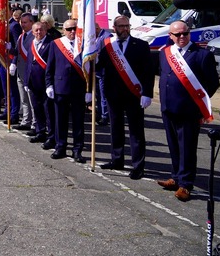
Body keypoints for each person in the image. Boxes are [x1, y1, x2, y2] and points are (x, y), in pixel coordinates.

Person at [156, 20, 219, 202]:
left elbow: (212, 83)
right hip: (168, 108)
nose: (182, 37)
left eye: (185, 33)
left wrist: (200, 105)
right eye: (177, 34)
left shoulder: (202, 55)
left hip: (189, 110)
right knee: (174, 145)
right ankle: (175, 177)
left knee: (187, 148)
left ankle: (185, 184)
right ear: (171, 36)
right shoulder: (166, 53)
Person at [97, 16, 153, 179]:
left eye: (127, 26)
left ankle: (138, 165)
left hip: (134, 94)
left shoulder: (141, 45)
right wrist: (90, 59)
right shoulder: (107, 45)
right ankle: (117, 159)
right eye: (121, 26)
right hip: (113, 94)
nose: (125, 29)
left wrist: (147, 93)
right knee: (115, 128)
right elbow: (100, 66)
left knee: (136, 131)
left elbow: (148, 72)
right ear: (114, 28)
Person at [45, 19, 90, 163]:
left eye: (74, 29)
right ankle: (60, 147)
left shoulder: (84, 45)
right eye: (69, 29)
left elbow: (90, 69)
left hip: (79, 88)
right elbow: (50, 67)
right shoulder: (56, 44)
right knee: (60, 120)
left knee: (78, 121)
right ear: (64, 30)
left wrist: (89, 89)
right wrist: (49, 85)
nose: (72, 32)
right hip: (60, 87)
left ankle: (77, 150)